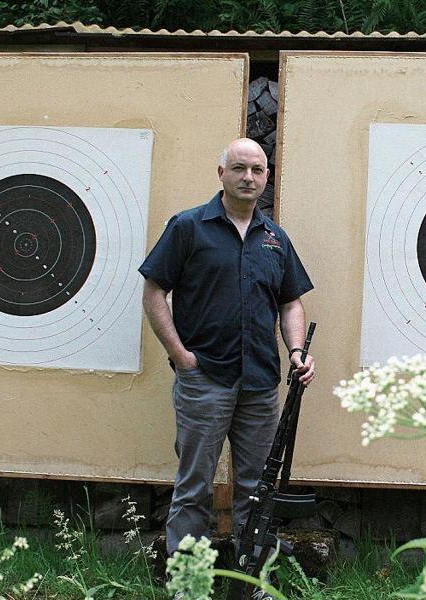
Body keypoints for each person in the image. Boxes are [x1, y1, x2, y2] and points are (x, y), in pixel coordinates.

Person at [139, 138, 315, 558]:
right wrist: (181, 357)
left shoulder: (275, 238)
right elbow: (154, 292)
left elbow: (290, 302)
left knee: (257, 487)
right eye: (239, 168)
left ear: (266, 177)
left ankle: (250, 570)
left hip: (260, 382)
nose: (248, 177)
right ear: (221, 173)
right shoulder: (188, 227)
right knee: (194, 485)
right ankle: (188, 576)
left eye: (257, 170)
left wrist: (296, 351)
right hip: (204, 379)